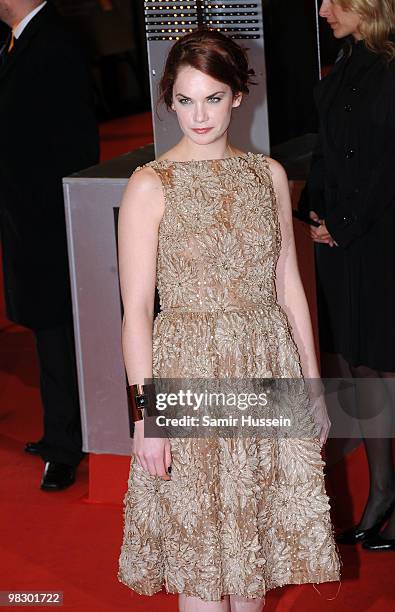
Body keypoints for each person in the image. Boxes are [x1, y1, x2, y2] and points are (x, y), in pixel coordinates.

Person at [117, 29, 340, 611]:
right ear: (169, 99)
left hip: (265, 364)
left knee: (252, 560)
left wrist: (312, 384)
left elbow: (289, 287)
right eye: (186, 100)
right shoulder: (149, 186)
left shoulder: (266, 176)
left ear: (238, 96)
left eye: (213, 98)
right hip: (189, 369)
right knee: (203, 561)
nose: (199, 115)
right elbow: (137, 312)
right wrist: (147, 417)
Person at [299, 0, 395, 551]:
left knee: (387, 360)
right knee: (361, 361)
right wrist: (315, 211)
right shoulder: (349, 57)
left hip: (380, 237)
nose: (323, 10)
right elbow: (329, 147)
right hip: (342, 239)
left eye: (334, 0)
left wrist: (345, 222)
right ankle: (382, 490)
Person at [0, 0, 100, 490]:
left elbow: (73, 138)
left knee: (58, 324)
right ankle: (59, 430)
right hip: (26, 211)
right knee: (46, 325)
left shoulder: (54, 41)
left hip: (49, 212)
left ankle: (68, 443)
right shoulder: (22, 39)